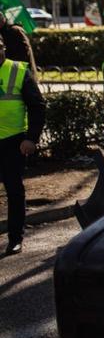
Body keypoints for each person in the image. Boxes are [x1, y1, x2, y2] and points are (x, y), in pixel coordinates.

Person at [0, 36, 46, 256]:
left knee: (14, 191)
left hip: (13, 142)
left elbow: (37, 106)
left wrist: (31, 138)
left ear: (3, 48)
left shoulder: (18, 71)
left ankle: (15, 238)